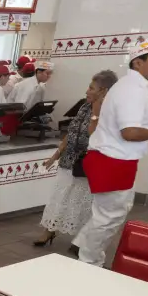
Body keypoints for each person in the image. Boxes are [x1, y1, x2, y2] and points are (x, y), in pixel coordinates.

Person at [73, 38, 148, 266]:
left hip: (115, 159)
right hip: (112, 161)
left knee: (109, 215)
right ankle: (87, 264)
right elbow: (129, 132)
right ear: (138, 63)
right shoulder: (132, 89)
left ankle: (85, 254)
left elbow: (128, 132)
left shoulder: (135, 87)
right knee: (108, 219)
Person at [34, 70, 119, 249]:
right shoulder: (84, 106)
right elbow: (71, 133)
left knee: (83, 201)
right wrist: (55, 156)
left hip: (89, 163)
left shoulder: (111, 111)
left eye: (91, 88)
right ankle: (49, 229)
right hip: (69, 160)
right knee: (60, 195)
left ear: (103, 91)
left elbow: (95, 135)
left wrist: (96, 113)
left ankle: (81, 241)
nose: (87, 91)